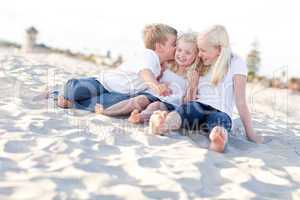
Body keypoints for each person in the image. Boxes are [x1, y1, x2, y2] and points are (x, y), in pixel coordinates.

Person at [149, 25, 263, 153]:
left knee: (219, 123)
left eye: (203, 50)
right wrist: (192, 86)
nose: (200, 54)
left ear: (219, 49)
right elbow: (187, 101)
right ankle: (163, 124)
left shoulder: (236, 62)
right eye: (199, 50)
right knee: (183, 112)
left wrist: (250, 133)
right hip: (197, 105)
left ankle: (217, 139)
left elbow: (240, 102)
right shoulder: (201, 63)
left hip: (221, 111)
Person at [57, 23, 177, 112]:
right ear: (160, 47)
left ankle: (73, 103)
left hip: (119, 93)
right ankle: (66, 91)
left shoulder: (159, 64)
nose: (176, 48)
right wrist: (155, 85)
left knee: (108, 103)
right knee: (77, 90)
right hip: (104, 83)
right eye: (174, 44)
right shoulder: (149, 55)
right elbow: (145, 72)